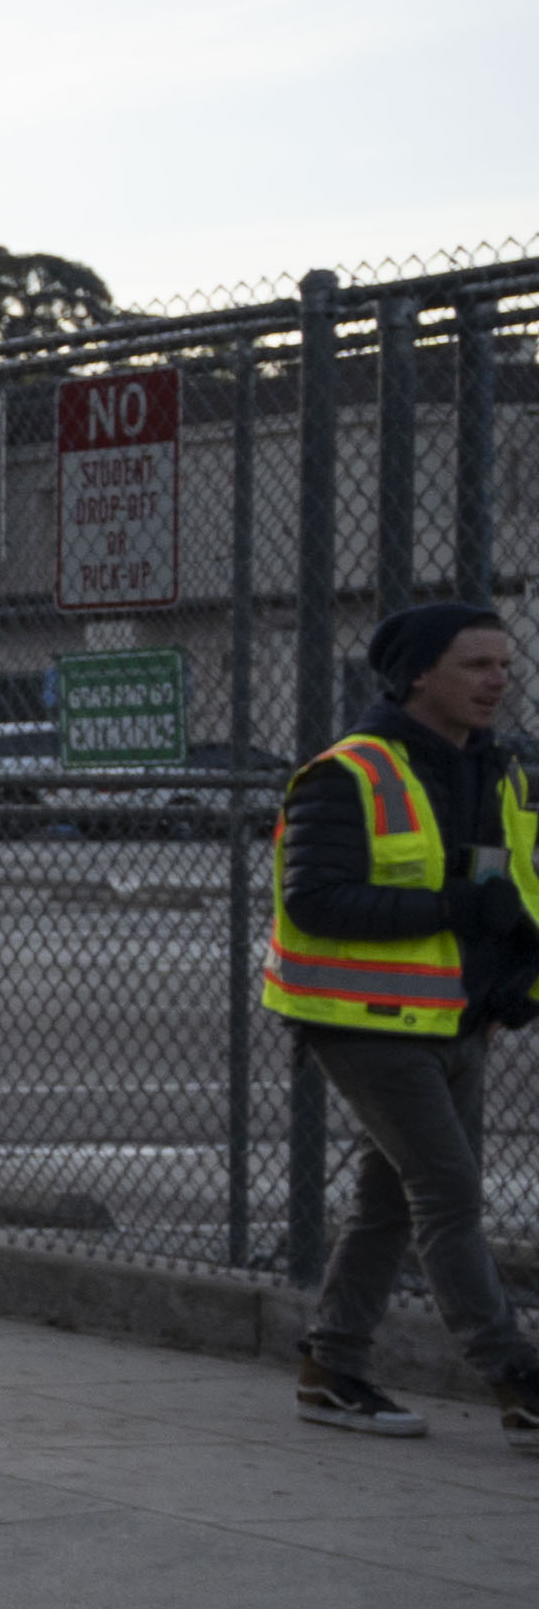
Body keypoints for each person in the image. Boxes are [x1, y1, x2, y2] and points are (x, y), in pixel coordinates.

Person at [267, 599, 539, 1444]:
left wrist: (517, 977)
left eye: (505, 663)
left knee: (389, 1204)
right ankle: (518, 1380)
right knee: (448, 1193)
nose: (500, 679)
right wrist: (452, 905)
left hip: (456, 1022)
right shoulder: (347, 773)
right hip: (363, 1022)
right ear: (420, 673)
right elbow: (315, 900)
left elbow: (512, 896)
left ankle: (332, 1369)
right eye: (477, 665)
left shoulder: (502, 772)